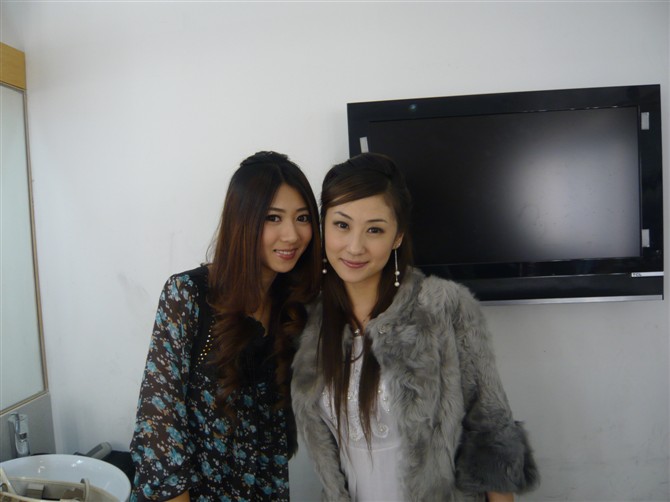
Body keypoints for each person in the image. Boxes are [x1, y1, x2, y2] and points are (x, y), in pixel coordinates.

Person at [291, 153, 539, 502]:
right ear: (323, 226)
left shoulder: (442, 307)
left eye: (374, 229)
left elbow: (491, 429)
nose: (355, 246)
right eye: (342, 225)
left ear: (397, 237)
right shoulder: (308, 323)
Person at [130, 151, 321, 502]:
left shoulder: (295, 308)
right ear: (242, 221)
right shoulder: (189, 294)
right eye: (273, 218)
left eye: (303, 217)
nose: (292, 235)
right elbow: (158, 422)